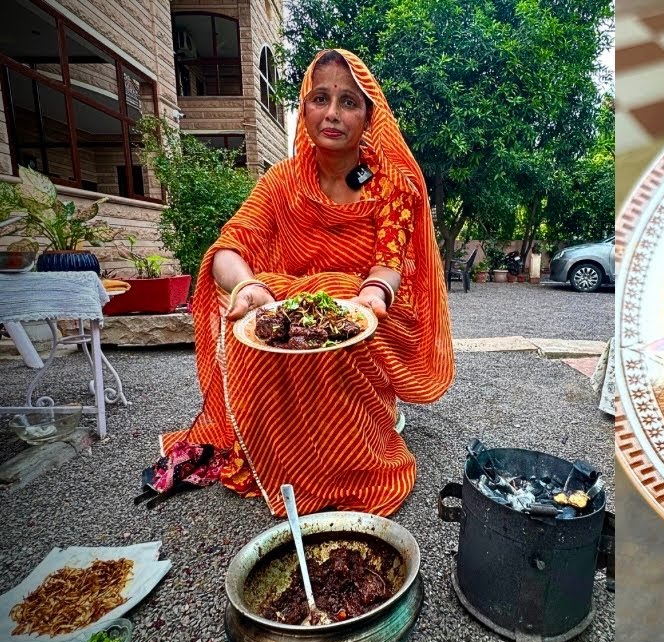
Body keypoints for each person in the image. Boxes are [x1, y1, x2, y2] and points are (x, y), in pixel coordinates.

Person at [162, 49, 454, 517]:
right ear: (304, 108)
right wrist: (247, 290)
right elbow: (228, 249)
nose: (333, 113)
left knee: (337, 293)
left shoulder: (388, 185)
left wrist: (371, 295)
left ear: (368, 116)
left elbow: (389, 264)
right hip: (297, 309)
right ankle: (283, 449)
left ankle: (352, 458)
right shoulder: (282, 181)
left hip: (375, 311)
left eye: (349, 101)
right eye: (321, 98)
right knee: (250, 322)